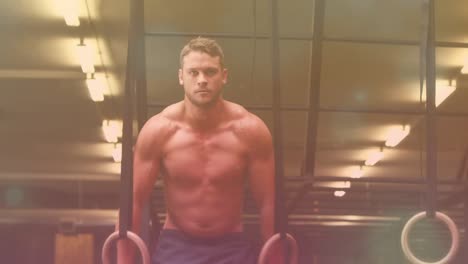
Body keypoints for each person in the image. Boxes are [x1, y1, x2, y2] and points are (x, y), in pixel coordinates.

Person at [118, 37, 276, 264]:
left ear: (224, 76)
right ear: (181, 77)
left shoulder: (250, 131)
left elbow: (269, 203)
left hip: (231, 247)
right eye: (194, 73)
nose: (202, 80)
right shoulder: (159, 130)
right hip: (177, 246)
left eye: (210, 72)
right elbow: (132, 201)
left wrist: (276, 259)